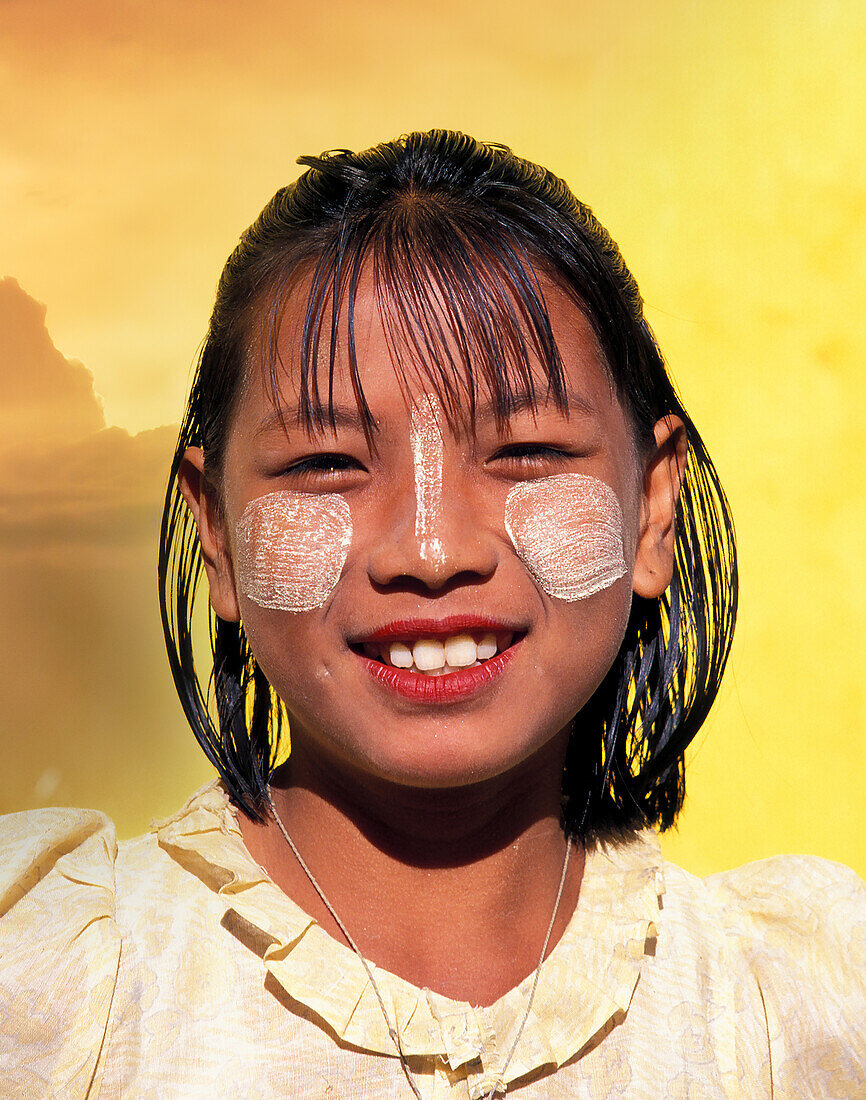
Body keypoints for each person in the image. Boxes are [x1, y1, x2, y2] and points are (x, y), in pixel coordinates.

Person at [2, 129, 864, 1099]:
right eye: (325, 462)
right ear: (217, 536)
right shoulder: (52, 989)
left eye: (525, 450)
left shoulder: (799, 1015)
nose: (428, 549)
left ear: (651, 508)